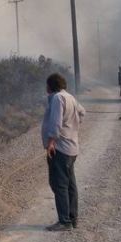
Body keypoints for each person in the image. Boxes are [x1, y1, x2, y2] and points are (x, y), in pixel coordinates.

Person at [41, 73, 85, 232]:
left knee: (59, 184)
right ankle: (72, 218)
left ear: (50, 86)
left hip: (60, 149)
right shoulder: (70, 97)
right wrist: (73, 127)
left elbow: (55, 123)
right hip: (72, 148)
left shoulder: (58, 98)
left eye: (46, 85)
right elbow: (82, 112)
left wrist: (52, 141)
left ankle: (64, 221)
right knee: (70, 185)